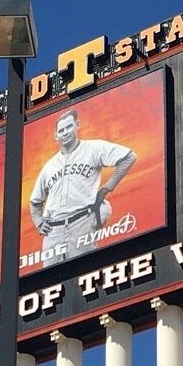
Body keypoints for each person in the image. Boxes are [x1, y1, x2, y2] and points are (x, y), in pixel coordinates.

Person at [28, 110, 136, 269]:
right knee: (49, 283)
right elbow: (35, 202)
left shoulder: (93, 148)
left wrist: (107, 188)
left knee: (86, 274)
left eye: (69, 127)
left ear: (77, 125)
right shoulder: (49, 167)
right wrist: (38, 222)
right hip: (53, 232)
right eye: (61, 130)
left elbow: (129, 157)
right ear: (55, 136)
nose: (65, 133)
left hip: (81, 223)